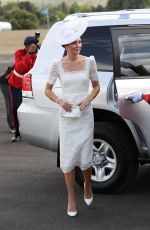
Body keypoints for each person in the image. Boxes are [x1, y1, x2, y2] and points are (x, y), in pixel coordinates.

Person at [45, 18, 100, 217]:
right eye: (74, 42)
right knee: (68, 159)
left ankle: (87, 184)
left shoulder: (89, 61)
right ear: (65, 45)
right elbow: (48, 90)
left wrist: (88, 99)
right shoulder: (57, 65)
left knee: (85, 158)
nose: (78, 45)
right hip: (67, 117)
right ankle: (71, 197)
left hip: (85, 116)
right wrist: (60, 101)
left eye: (79, 41)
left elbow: (96, 86)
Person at [8, 36, 37, 142]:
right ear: (25, 46)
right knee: (16, 108)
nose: (32, 47)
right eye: (29, 45)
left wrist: (34, 55)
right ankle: (18, 133)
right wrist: (29, 54)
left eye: (33, 44)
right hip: (16, 84)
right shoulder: (19, 53)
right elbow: (20, 68)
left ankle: (32, 131)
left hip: (30, 85)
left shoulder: (37, 55)